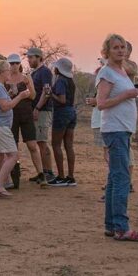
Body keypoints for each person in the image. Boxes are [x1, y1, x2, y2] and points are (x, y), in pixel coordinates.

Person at [97, 34, 138, 241]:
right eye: (115, 47)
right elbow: (101, 103)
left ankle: (111, 224)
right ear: (107, 51)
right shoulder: (107, 72)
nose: (120, 50)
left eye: (122, 47)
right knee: (122, 178)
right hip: (114, 129)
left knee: (114, 178)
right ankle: (121, 227)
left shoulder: (122, 71)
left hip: (122, 129)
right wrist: (125, 95)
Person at [0, 60, 31, 197]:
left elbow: (0, 103)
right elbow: (5, 107)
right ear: (1, 72)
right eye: (7, 70)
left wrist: (10, 95)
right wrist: (20, 97)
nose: (9, 71)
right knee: (13, 155)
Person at [6, 53, 43, 187]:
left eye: (16, 63)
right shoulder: (5, 79)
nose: (14, 66)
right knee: (12, 147)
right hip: (11, 116)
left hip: (26, 114)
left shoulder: (26, 78)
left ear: (19, 64)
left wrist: (28, 86)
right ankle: (14, 175)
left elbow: (33, 96)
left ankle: (41, 174)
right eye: (11, 63)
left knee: (32, 145)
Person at [27, 47, 56, 184]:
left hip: (43, 111)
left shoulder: (45, 72)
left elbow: (47, 92)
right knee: (38, 141)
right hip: (36, 110)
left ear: (39, 57)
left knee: (42, 141)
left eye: (31, 57)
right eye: (28, 57)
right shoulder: (34, 73)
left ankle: (48, 172)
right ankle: (42, 172)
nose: (29, 60)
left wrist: (38, 107)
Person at [47, 58, 77, 186]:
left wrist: (49, 94)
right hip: (71, 112)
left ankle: (60, 176)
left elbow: (62, 99)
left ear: (59, 69)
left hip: (62, 113)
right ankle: (70, 176)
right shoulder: (71, 81)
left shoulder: (60, 81)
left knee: (56, 144)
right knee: (69, 145)